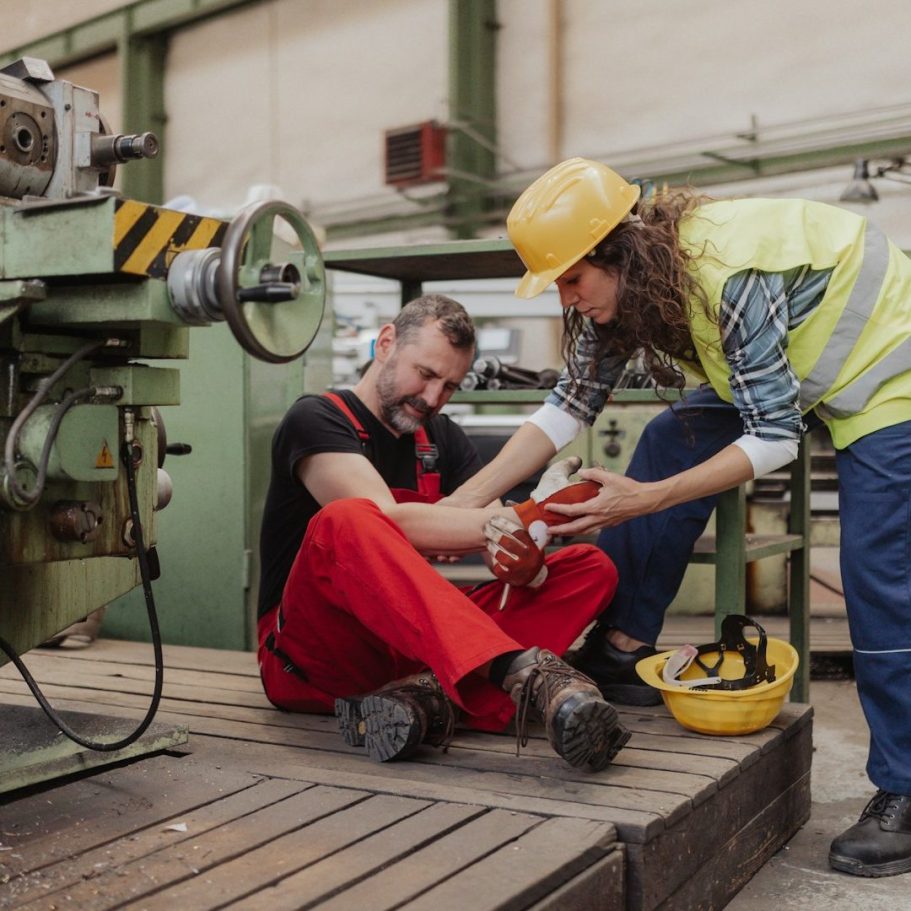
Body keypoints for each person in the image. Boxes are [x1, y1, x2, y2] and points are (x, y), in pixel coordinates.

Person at [443, 158, 911, 877]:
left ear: (615, 252)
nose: (567, 299)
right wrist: (458, 507)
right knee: (667, 438)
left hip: (887, 368)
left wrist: (643, 497)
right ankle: (624, 646)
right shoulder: (632, 289)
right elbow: (567, 407)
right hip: (801, 370)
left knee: (873, 567)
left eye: (570, 279)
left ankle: (903, 788)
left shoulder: (729, 275)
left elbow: (774, 437)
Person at [256, 292, 630, 772]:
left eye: (449, 386)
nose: (433, 398)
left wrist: (530, 544)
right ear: (385, 343)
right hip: (317, 655)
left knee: (588, 567)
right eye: (426, 374)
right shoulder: (318, 419)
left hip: (417, 647)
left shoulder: (443, 439)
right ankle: (511, 673)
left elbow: (504, 553)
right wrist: (527, 515)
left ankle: (424, 701)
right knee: (346, 519)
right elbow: (390, 520)